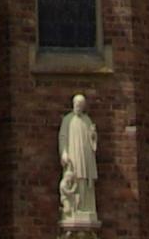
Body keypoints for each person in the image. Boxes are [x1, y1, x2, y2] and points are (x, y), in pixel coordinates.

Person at [58, 92, 98, 227]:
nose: (78, 107)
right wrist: (64, 152)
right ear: (73, 104)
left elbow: (92, 141)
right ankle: (74, 207)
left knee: (85, 178)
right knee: (75, 177)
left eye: (81, 105)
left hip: (85, 155)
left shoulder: (87, 120)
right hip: (73, 155)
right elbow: (63, 137)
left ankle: (86, 206)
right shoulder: (68, 119)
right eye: (77, 104)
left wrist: (93, 135)